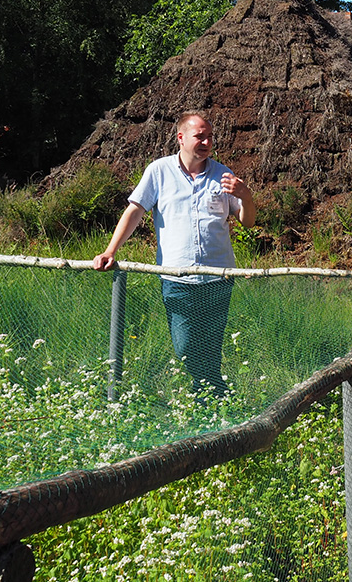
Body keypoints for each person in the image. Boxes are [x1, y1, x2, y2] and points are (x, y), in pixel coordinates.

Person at [92, 111, 255, 398]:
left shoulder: (224, 174)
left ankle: (209, 403)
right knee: (185, 348)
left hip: (219, 277)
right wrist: (110, 250)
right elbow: (135, 211)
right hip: (177, 279)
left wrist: (246, 196)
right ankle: (217, 396)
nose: (205, 142)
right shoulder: (159, 172)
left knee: (211, 346)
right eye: (199, 136)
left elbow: (247, 221)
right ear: (180, 138)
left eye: (209, 137)